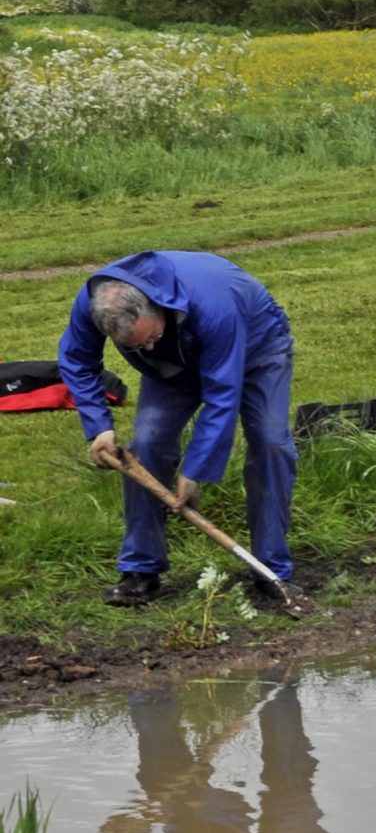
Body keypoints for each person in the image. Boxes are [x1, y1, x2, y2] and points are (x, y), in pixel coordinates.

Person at [61, 252, 299, 606]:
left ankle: (270, 566)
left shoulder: (213, 303)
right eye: (137, 347)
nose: (148, 347)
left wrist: (195, 470)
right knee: (145, 446)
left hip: (255, 350)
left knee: (270, 441)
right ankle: (141, 569)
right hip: (172, 368)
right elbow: (77, 359)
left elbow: (222, 392)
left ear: (157, 307)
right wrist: (99, 427)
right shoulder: (93, 304)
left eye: (150, 337)